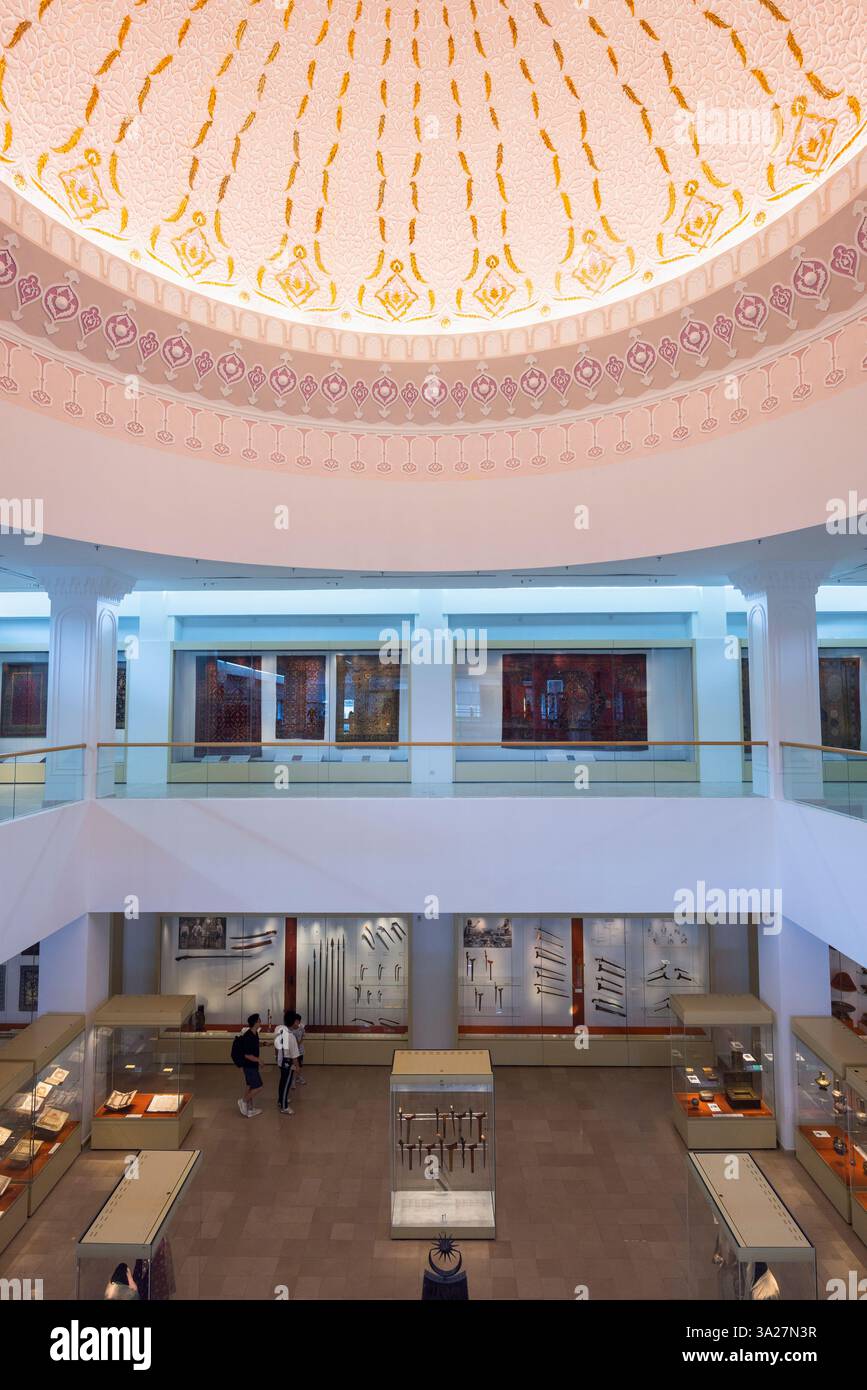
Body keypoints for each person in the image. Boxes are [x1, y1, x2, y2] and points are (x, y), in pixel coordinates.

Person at [274, 1010, 300, 1114]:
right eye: (297, 1021)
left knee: (282, 1081)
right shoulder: (291, 1036)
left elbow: (276, 1045)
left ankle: (281, 1100)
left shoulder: (279, 1030)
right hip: (288, 1062)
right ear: (293, 1022)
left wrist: (276, 1056)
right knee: (286, 1084)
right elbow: (294, 1055)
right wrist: (297, 1067)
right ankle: (284, 1106)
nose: (298, 1024)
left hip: (281, 1060)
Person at [238, 1013, 263, 1117]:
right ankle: (243, 1101)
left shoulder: (254, 1033)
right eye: (259, 1020)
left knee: (250, 1086)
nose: (261, 1022)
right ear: (255, 1023)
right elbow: (247, 1055)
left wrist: (265, 1044)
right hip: (249, 1066)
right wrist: (259, 1060)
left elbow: (255, 1045)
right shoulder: (248, 1036)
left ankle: (250, 1109)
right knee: (258, 1087)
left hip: (251, 1066)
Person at [290, 1012, 307, 1085]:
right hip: (293, 1051)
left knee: (300, 1065)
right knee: (294, 1065)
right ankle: (292, 1079)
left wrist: (300, 1042)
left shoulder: (301, 1029)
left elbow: (303, 1036)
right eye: (295, 1021)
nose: (296, 1022)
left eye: (298, 1021)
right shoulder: (290, 1030)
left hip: (300, 1050)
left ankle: (298, 1077)